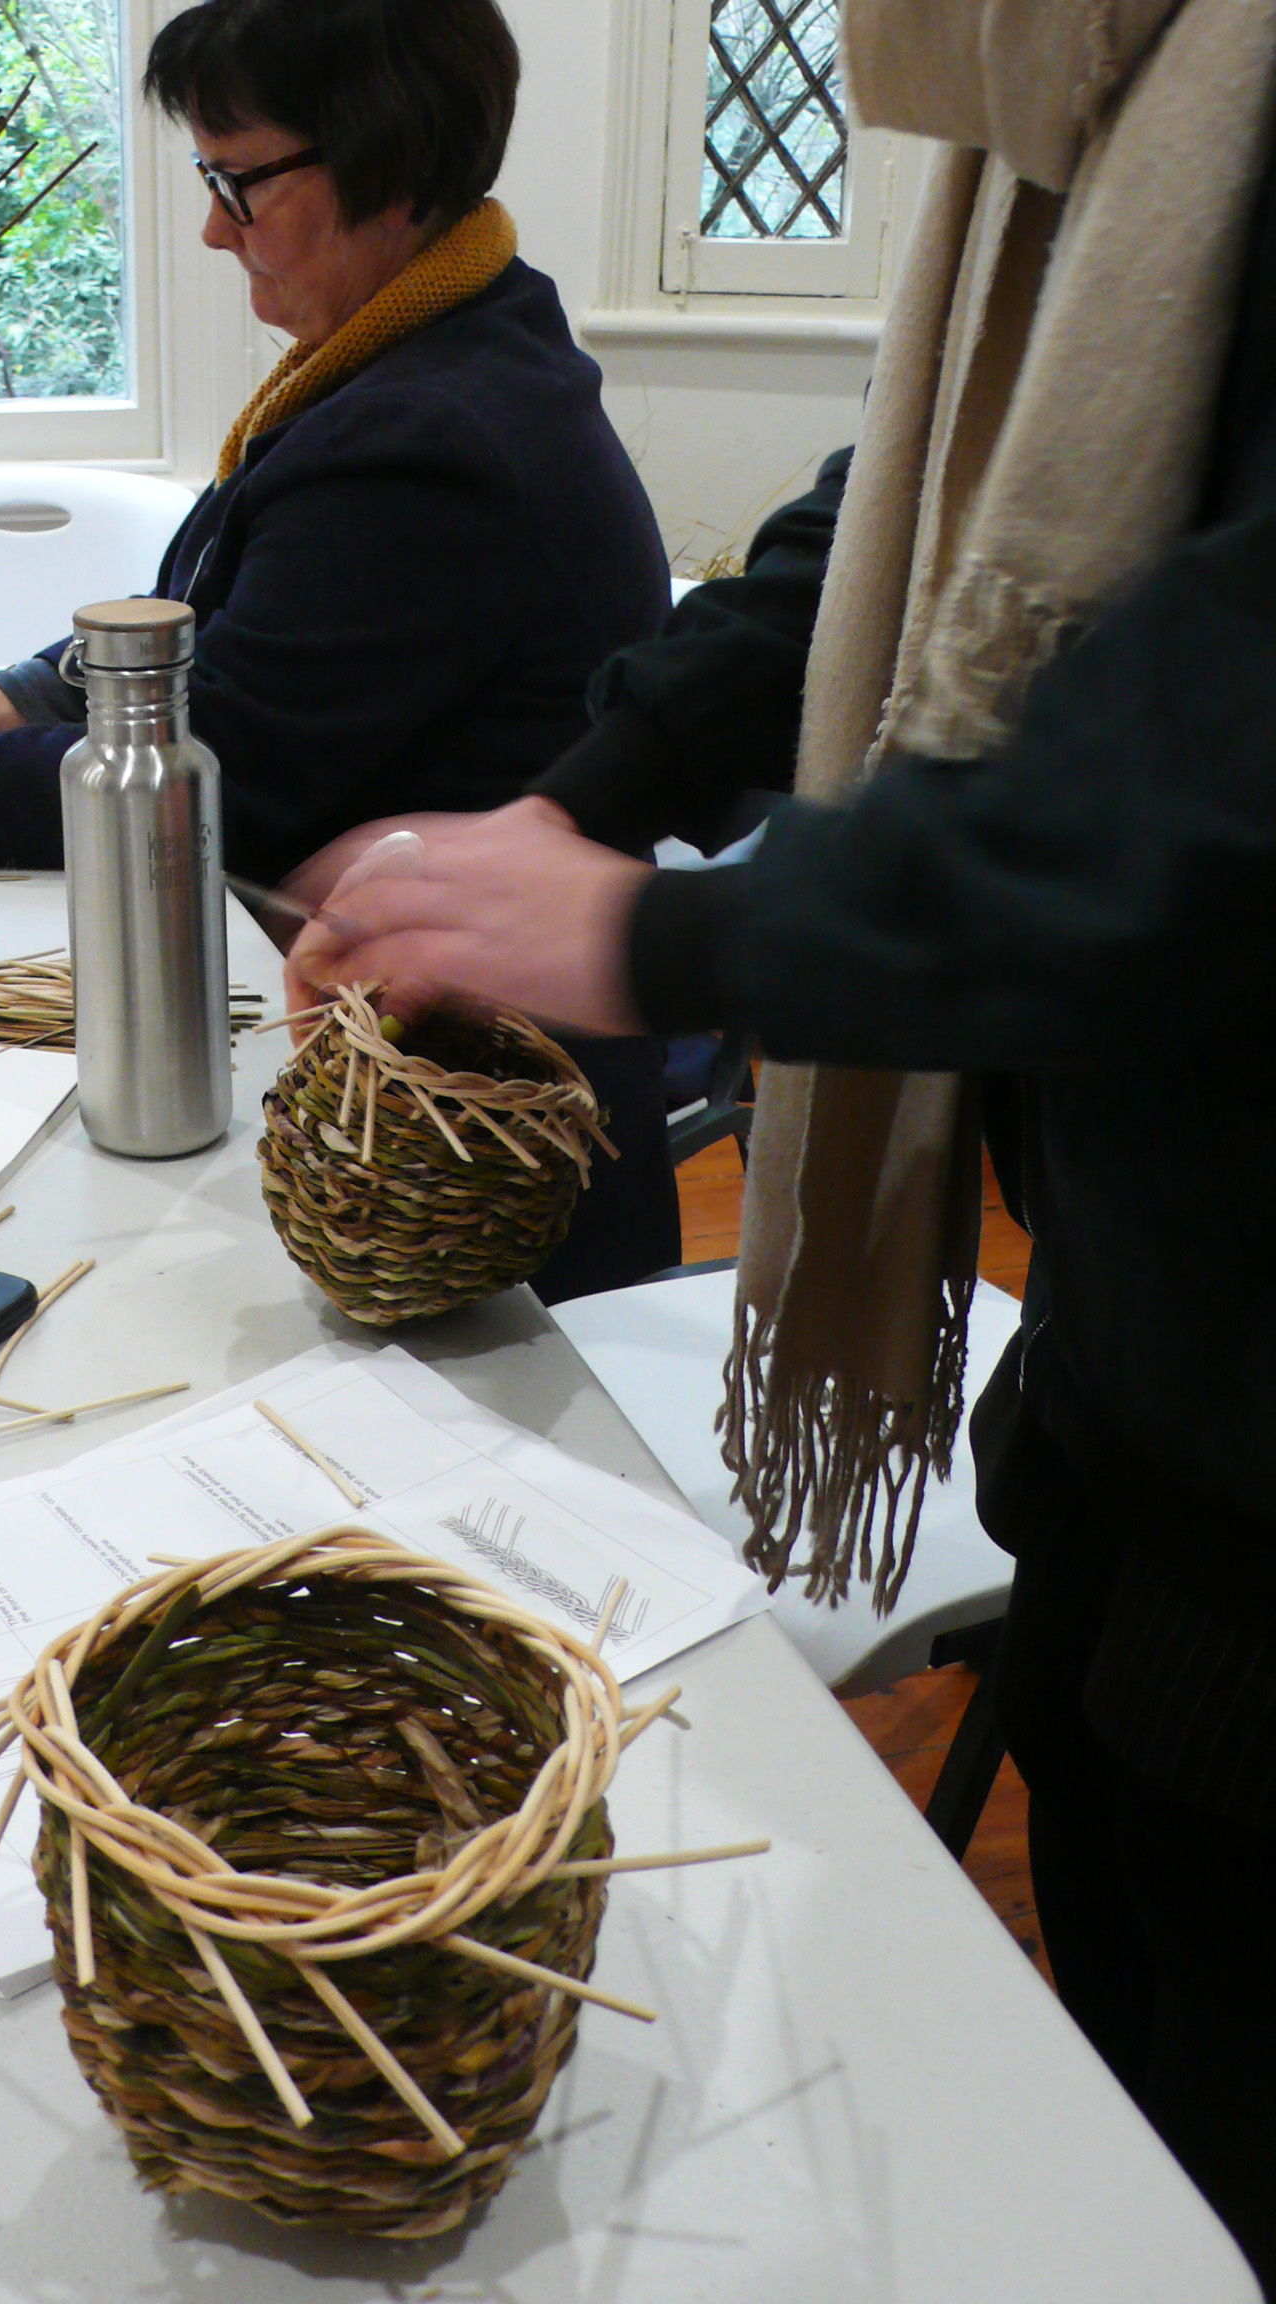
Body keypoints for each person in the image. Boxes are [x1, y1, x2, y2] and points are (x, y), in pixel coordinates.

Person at [290, 0, 1276, 2287]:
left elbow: (1205, 794)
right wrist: (582, 801)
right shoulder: (1113, 119)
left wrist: (666, 933)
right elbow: (894, 530)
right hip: (1137, 1372)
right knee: (1113, 2049)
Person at [0, 0, 682, 1300]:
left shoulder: (435, 443)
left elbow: (204, 774)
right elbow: (213, 626)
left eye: (239, 182)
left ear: (390, 167)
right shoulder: (419, 356)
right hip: (386, 1092)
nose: (211, 228)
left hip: (460, 1170)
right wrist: (11, 699)